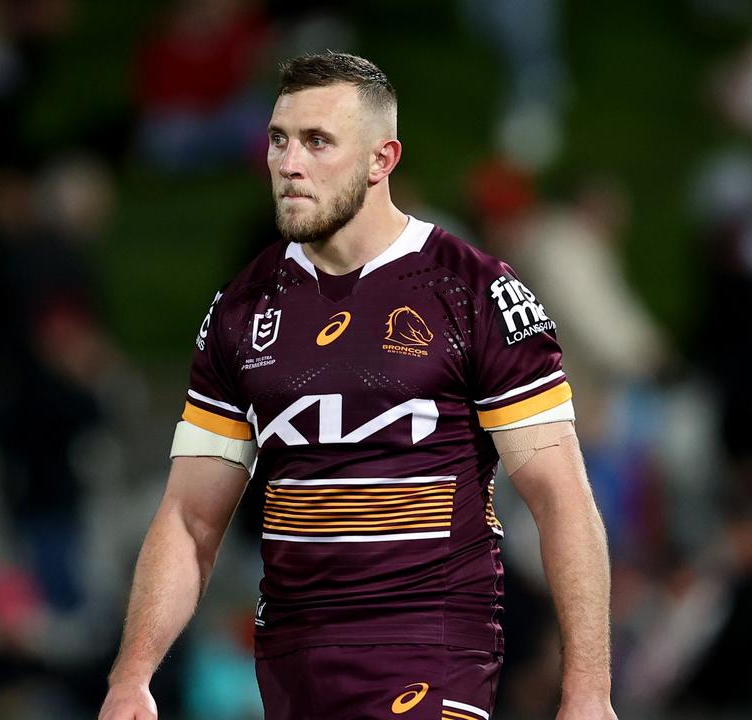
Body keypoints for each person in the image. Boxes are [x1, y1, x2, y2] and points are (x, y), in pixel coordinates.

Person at [99, 52, 616, 720]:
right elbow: (190, 516)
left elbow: (561, 497)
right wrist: (131, 675)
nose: (289, 164)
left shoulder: (477, 293)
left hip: (430, 655)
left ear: (382, 160)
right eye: (279, 140)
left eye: (318, 142)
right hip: (293, 666)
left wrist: (588, 691)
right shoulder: (242, 309)